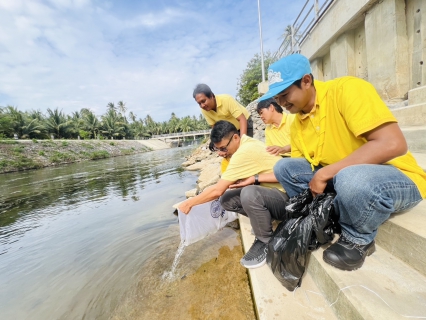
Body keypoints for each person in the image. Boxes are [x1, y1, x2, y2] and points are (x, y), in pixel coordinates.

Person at [259, 53, 426, 271]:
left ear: (307, 81)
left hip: (395, 177)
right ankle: (331, 216)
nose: (281, 103)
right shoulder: (297, 123)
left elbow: (393, 144)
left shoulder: (346, 90)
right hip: (345, 177)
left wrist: (325, 173)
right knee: (285, 167)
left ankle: (359, 238)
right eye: (277, 99)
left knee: (351, 178)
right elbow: (302, 169)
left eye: (285, 95)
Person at [178, 120, 289, 269]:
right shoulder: (246, 143)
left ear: (235, 138)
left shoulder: (243, 152)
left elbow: (217, 190)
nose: (223, 152)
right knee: (227, 200)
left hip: (288, 201)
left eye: (224, 147)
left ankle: (265, 241)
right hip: (275, 194)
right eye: (219, 149)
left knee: (249, 193)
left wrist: (189, 203)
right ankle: (264, 221)